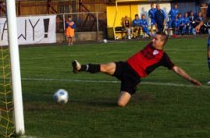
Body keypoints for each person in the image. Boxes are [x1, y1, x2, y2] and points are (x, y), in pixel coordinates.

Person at [72, 32, 202, 107]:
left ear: (162, 42)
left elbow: (176, 69)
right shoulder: (150, 45)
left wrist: (190, 79)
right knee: (105, 67)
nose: (152, 39)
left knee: (120, 104)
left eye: (156, 39)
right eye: (153, 37)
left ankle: (130, 90)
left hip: (133, 77)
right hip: (126, 66)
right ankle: (80, 67)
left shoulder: (163, 57)